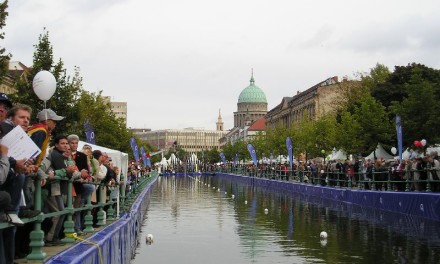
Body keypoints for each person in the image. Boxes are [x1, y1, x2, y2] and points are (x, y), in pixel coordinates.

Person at [67, 134, 94, 235]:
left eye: (76, 143)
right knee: (68, 209)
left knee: (76, 208)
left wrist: (84, 175)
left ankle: (77, 229)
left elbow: (87, 171)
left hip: (78, 185)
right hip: (67, 186)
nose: (74, 145)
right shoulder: (65, 154)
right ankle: (68, 230)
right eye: (72, 143)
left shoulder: (82, 156)